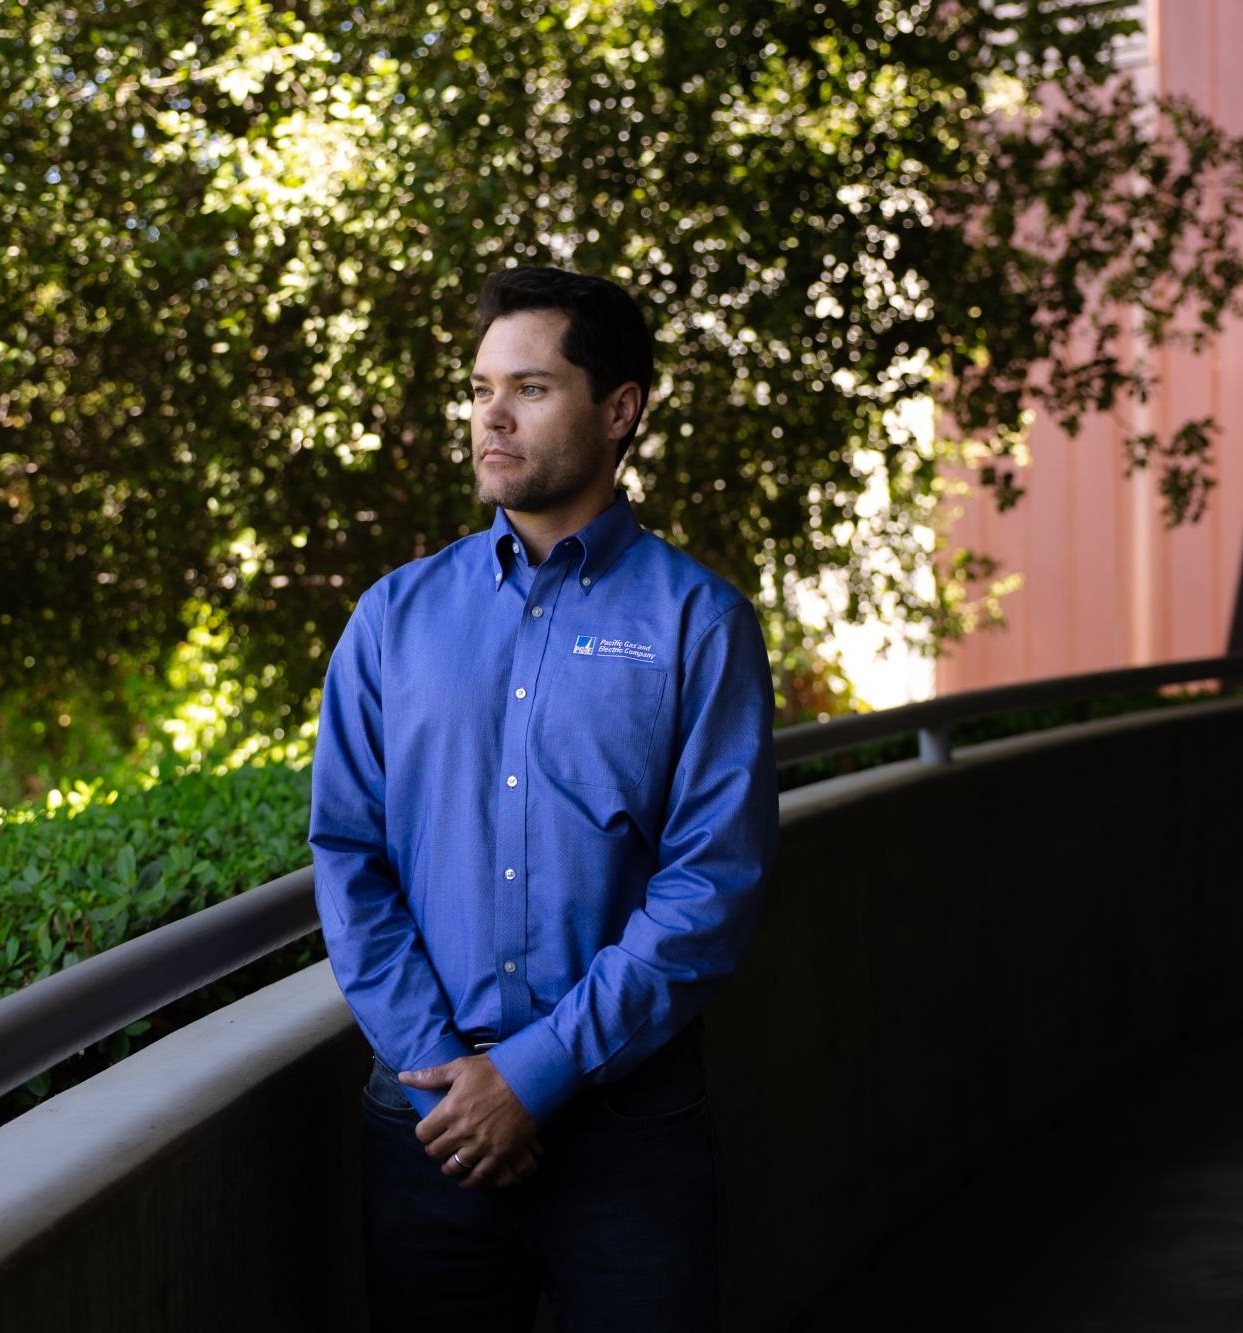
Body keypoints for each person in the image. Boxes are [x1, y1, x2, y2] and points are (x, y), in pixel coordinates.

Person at [310, 265, 779, 1332]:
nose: (489, 414)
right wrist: (447, 1072)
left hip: (628, 1128)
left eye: (528, 387)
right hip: (426, 1125)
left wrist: (534, 1073)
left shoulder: (697, 624)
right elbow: (346, 852)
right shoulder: (392, 617)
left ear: (619, 410)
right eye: (480, 388)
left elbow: (710, 886)